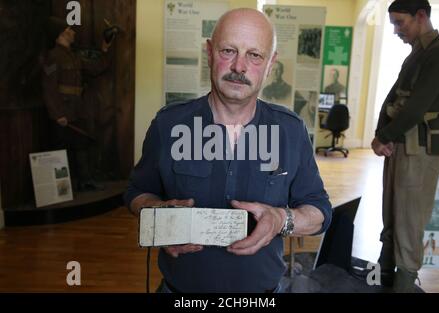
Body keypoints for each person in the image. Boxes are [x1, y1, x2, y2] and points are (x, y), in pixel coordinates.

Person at [124, 8, 332, 293]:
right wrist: (158, 216)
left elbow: (319, 211)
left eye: (254, 55)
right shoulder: (169, 124)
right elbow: (137, 192)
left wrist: (281, 220)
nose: (239, 67)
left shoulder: (291, 131)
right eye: (228, 51)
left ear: (271, 64)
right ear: (209, 52)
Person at [371, 0, 439, 292]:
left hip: (421, 149)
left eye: (399, 22)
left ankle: (402, 285)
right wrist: (383, 135)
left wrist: (384, 137)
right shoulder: (418, 52)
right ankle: (382, 279)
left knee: (409, 223)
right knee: (391, 216)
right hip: (401, 145)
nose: (395, 30)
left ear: (421, 16)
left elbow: (416, 109)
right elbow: (394, 97)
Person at [42, 17, 116, 191]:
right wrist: (57, 113)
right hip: (63, 111)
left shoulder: (74, 57)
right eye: (70, 29)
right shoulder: (52, 57)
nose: (73, 32)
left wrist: (105, 49)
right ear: (61, 34)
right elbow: (48, 88)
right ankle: (59, 188)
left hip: (77, 110)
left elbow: (97, 68)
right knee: (61, 149)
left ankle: (85, 180)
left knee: (81, 145)